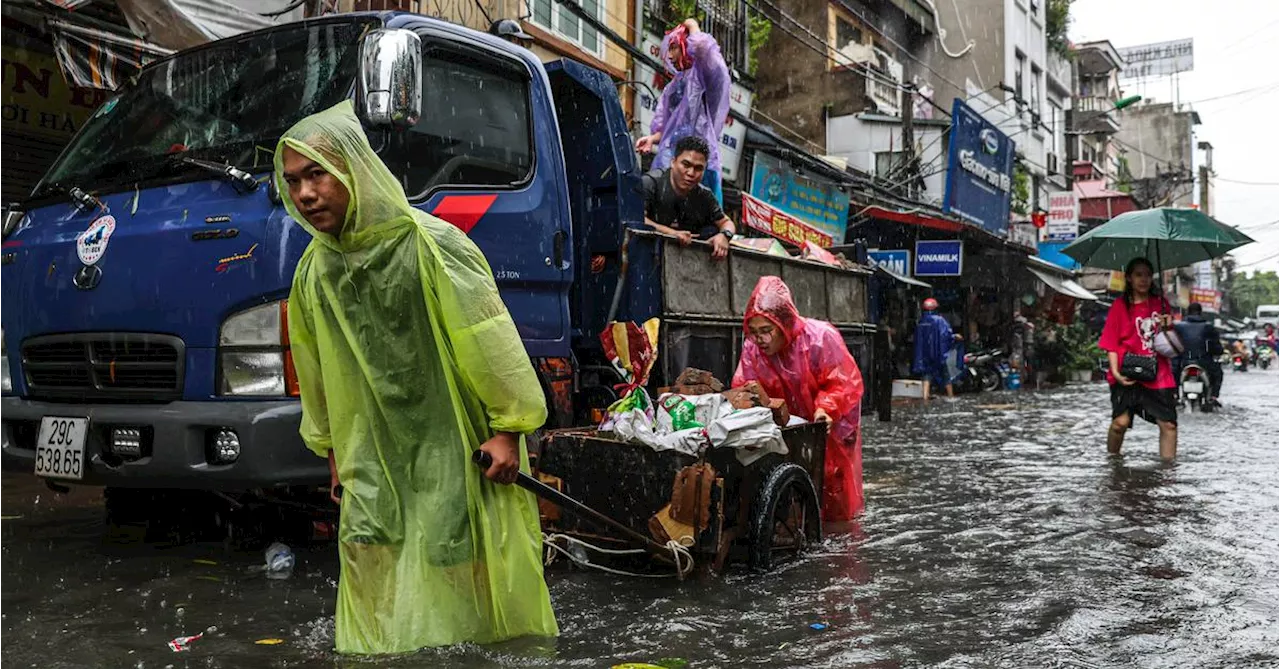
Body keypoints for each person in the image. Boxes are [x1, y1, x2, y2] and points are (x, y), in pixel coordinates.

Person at [276, 101, 557, 654]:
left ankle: (472, 651)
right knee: (368, 547)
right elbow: (316, 370)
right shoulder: (315, 270)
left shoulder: (431, 246)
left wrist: (508, 428)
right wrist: (332, 451)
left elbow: (489, 342)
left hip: (448, 438)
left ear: (353, 170)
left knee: (456, 549)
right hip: (368, 450)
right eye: (293, 182)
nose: (305, 195)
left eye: (317, 174)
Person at [733, 276, 867, 522]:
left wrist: (827, 408)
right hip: (786, 429)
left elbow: (843, 382)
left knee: (832, 487)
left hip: (828, 427)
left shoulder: (820, 338)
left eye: (766, 331)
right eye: (753, 332)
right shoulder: (753, 349)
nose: (759, 339)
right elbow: (744, 386)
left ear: (784, 324)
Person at [634, 18, 731, 205]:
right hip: (672, 162)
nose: (669, 56)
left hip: (700, 165)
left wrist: (692, 25)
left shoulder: (704, 76)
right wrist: (653, 139)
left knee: (703, 219)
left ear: (686, 45)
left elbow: (703, 49)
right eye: (668, 49)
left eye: (674, 47)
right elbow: (670, 127)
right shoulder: (673, 87)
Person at [1099, 257, 1177, 462]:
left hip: (1158, 372)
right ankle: (1112, 461)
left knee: (1168, 424)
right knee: (1120, 423)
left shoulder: (1162, 305)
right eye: (1138, 275)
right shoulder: (1119, 306)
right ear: (1129, 279)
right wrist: (1116, 373)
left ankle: (1167, 473)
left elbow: (1170, 345)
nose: (1144, 279)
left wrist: (1167, 326)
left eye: (1148, 275)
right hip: (1126, 370)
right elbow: (1111, 343)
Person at [642, 135, 736, 259]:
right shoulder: (650, 183)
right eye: (686, 165)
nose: (691, 173)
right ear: (673, 162)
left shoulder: (704, 196)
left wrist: (724, 236)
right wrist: (672, 233)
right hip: (645, 256)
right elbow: (637, 218)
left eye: (698, 168)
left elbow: (726, 222)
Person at [1174, 302, 1224, 406]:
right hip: (1204, 362)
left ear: (1187, 312)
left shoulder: (1178, 327)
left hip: (1183, 362)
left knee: (1172, 373)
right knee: (1218, 374)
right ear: (1201, 313)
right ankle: (1213, 397)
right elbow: (1217, 347)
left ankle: (1175, 395)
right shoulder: (1209, 327)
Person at [912, 298, 962, 400]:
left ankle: (925, 397)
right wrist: (954, 337)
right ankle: (950, 396)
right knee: (946, 376)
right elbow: (946, 335)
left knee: (926, 375)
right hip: (939, 353)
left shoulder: (921, 322)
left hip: (924, 355)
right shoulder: (940, 320)